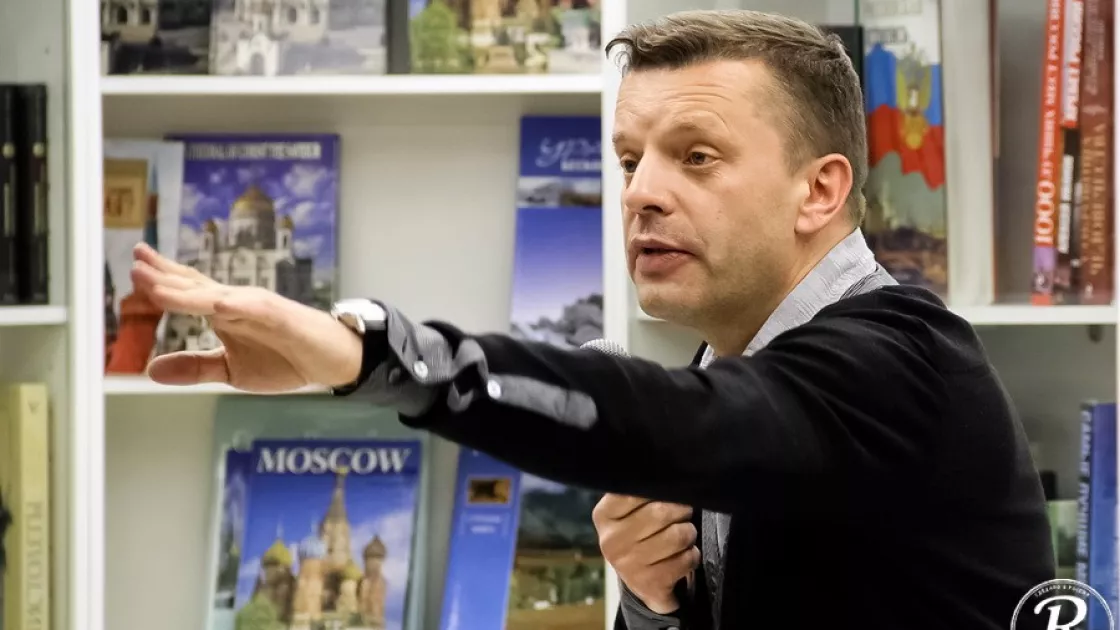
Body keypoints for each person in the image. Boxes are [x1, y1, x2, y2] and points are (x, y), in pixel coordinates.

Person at [129, 9, 1056, 630]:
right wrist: (654, 602)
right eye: (627, 159)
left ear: (819, 191)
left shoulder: (899, 362)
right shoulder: (736, 374)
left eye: (696, 156)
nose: (641, 192)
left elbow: (672, 418)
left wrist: (369, 352)